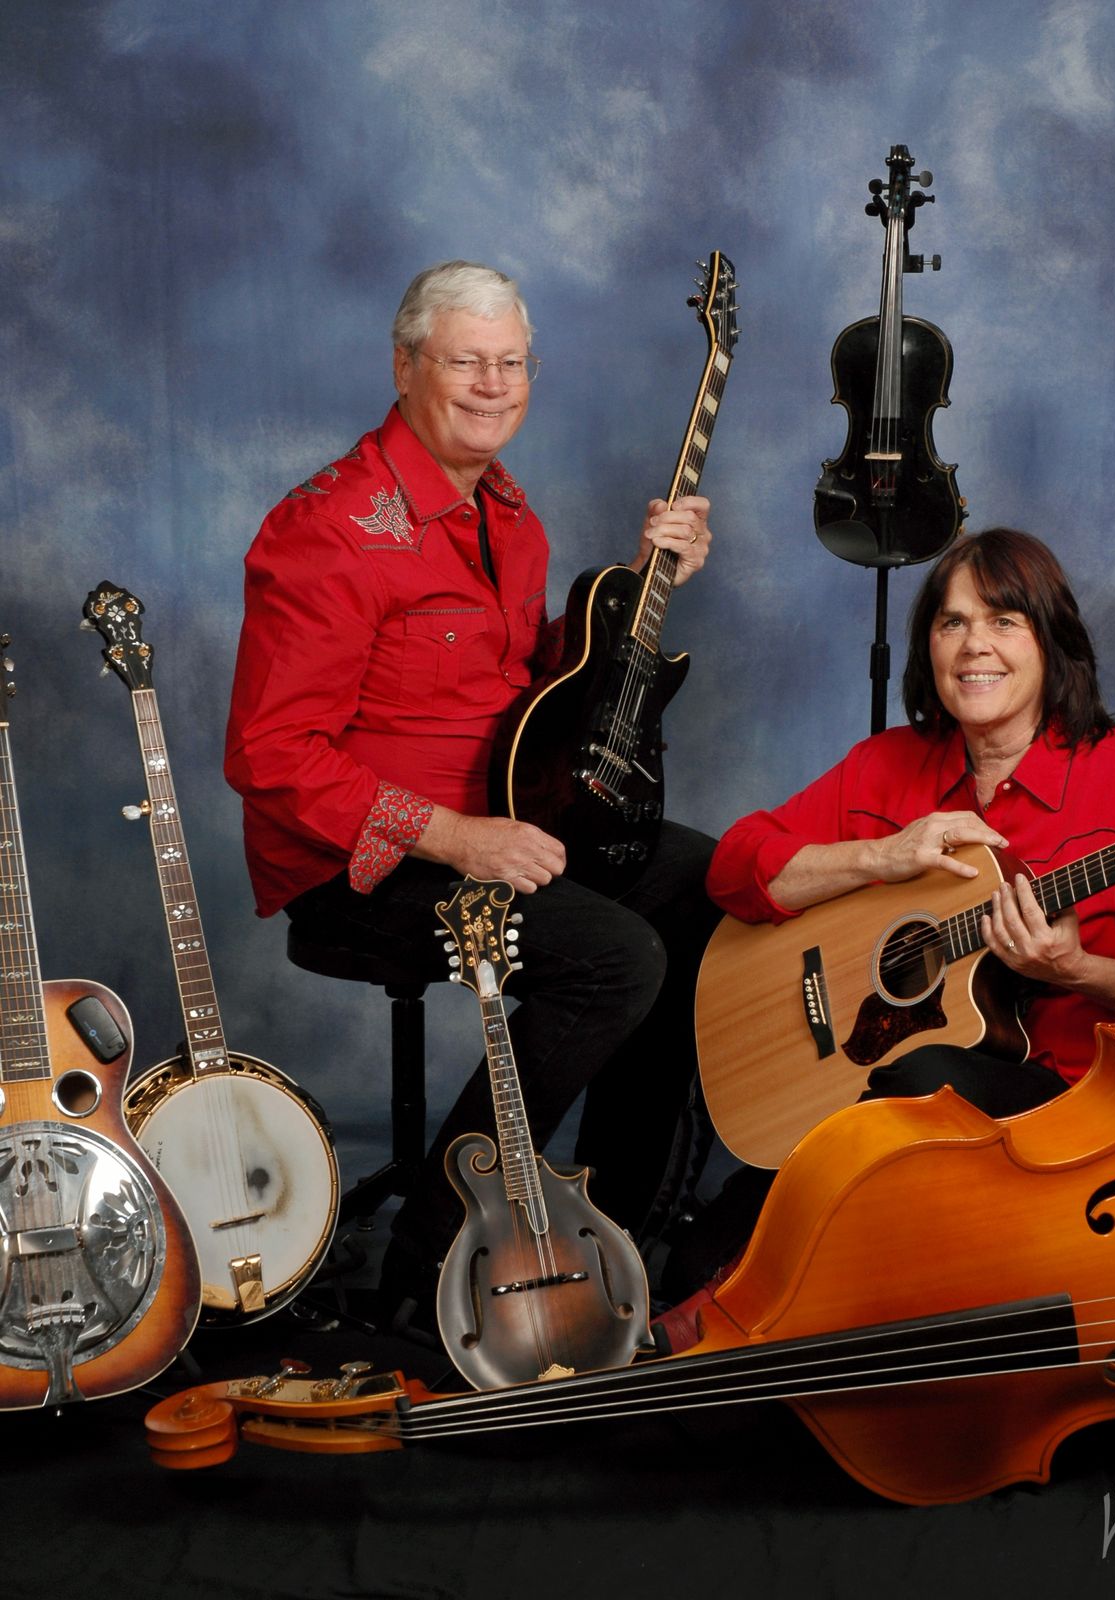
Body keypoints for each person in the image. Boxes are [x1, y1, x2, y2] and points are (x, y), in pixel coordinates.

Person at [224, 260, 719, 1331]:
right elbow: (270, 755)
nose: (493, 386)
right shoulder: (330, 529)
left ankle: (617, 1227)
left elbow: (524, 685)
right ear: (405, 367)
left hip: (504, 824)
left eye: (512, 363)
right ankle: (431, 1265)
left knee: (701, 882)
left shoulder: (509, 514)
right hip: (362, 866)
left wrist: (638, 584)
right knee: (615, 957)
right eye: (465, 362)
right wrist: (453, 837)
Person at [658, 527, 1115, 1319]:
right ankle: (720, 1291)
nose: (973, 646)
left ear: (1051, 643)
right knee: (691, 1261)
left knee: (917, 1085)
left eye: (1004, 621)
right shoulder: (887, 765)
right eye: (951, 621)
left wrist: (1076, 971)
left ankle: (736, 1306)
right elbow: (734, 868)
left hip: (1062, 1103)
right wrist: (882, 856)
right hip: (862, 1095)